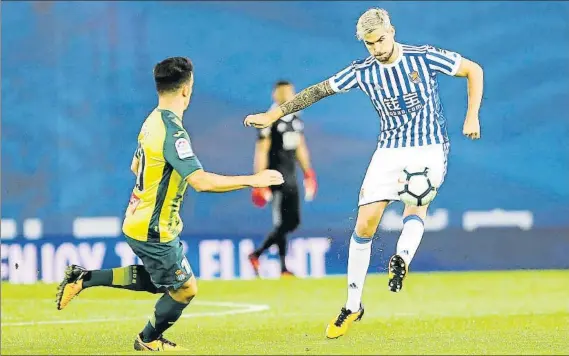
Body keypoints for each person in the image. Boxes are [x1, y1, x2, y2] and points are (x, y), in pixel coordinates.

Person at [243, 8, 484, 339]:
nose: (378, 49)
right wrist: (275, 115)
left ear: (392, 31)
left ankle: (401, 257)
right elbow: (317, 91)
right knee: (364, 224)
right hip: (389, 149)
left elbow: (474, 70)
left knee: (416, 202)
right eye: (370, 44)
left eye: (381, 40)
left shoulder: (424, 57)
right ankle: (352, 305)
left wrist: (472, 116)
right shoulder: (363, 72)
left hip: (429, 145)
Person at [55, 56, 284, 351]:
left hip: (139, 219)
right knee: (185, 289)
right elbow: (201, 181)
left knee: (158, 280)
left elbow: (135, 167)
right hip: (154, 228)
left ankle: (83, 278)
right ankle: (147, 340)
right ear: (187, 90)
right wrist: (254, 179)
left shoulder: (151, 121)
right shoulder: (173, 133)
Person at [248, 80, 317, 278]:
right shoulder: (269, 120)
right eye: (283, 93)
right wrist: (258, 181)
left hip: (292, 175)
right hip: (275, 176)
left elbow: (300, 147)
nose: (287, 96)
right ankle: (283, 268)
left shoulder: (296, 119)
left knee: (292, 222)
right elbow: (262, 149)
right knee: (280, 222)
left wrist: (308, 173)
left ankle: (257, 254)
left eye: (290, 93)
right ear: (275, 95)